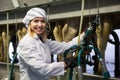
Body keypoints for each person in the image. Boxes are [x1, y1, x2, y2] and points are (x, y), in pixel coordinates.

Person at [17, 7, 84, 80]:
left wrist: (84, 35)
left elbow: (64, 47)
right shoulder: (26, 43)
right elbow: (43, 69)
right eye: (36, 21)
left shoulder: (44, 41)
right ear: (29, 23)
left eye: (42, 21)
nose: (40, 25)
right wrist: (66, 64)